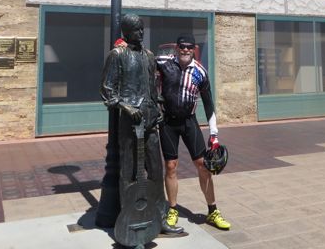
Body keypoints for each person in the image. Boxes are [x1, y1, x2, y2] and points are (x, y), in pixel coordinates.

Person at [98, 14, 180, 238]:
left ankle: (160, 218)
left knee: (156, 171)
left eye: (142, 29)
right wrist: (125, 106)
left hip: (150, 120)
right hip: (130, 123)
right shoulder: (117, 55)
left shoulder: (149, 55)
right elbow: (107, 89)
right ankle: (129, 219)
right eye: (136, 29)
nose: (141, 33)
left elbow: (152, 87)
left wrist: (158, 109)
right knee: (128, 171)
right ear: (126, 32)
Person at [158, 34, 231, 231]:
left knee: (203, 165)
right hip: (167, 123)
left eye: (189, 47)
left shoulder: (200, 72)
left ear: (194, 49)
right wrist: (125, 46)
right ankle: (173, 209)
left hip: (189, 122)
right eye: (182, 46)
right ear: (176, 47)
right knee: (170, 166)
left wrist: (214, 134)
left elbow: (208, 104)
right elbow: (143, 60)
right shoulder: (163, 62)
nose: (185, 50)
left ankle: (213, 211)